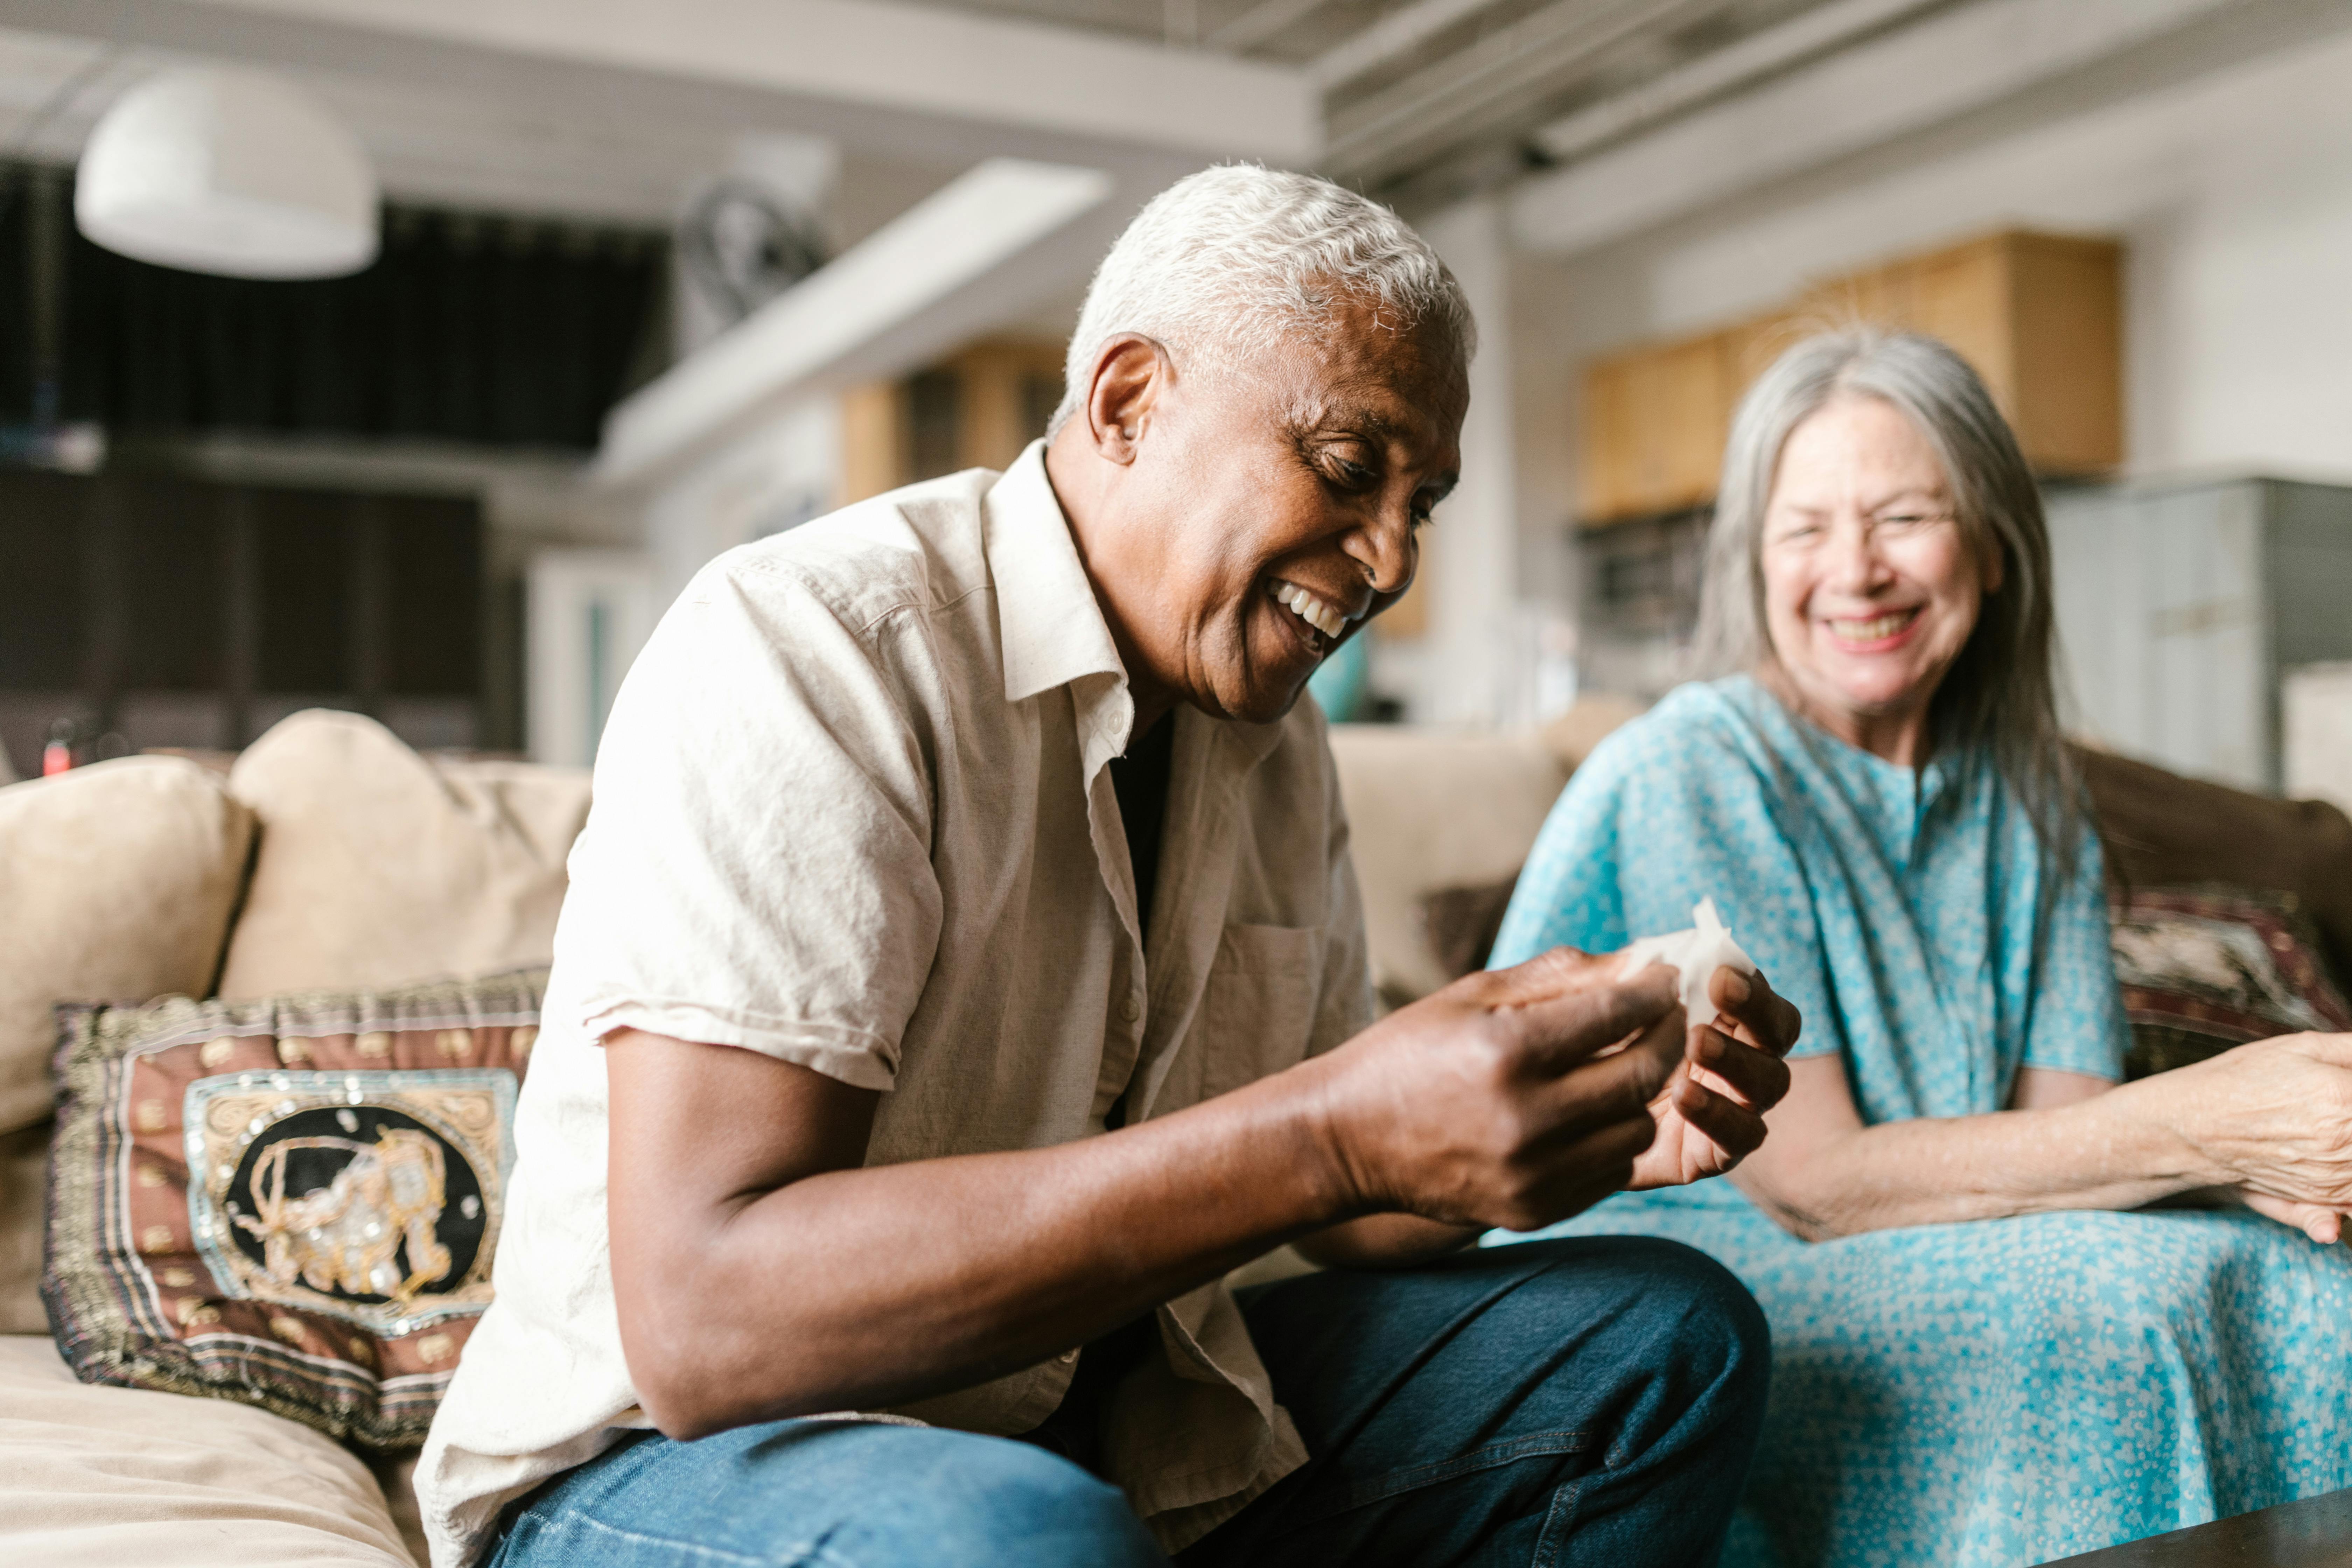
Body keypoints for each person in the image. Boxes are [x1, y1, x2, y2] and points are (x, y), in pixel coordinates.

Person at [416, 166, 1802, 1568]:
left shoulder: (1276, 740)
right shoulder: (814, 647)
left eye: (1421, 503)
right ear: (1128, 402)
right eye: (1344, 467)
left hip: (1080, 1424)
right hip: (663, 1469)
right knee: (1016, 1540)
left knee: (1660, 1344)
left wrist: (1557, 1124)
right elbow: (712, 1323)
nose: (1389, 558)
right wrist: (1333, 1127)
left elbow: (1346, 1204)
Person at [1490, 327, 2352, 1567]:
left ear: (1994, 548)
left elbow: (2074, 1129)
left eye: (1904, 518)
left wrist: (2238, 1166)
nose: (1855, 571)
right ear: (1753, 564)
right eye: (1805, 530)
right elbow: (1817, 1184)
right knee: (2104, 1321)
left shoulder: (2033, 798)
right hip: (1679, 1284)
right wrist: (2214, 1126)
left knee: (2304, 1287)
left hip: (1933, 1232)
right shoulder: (1699, 763)